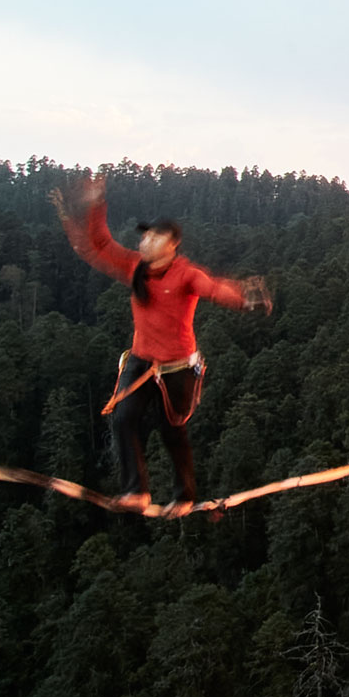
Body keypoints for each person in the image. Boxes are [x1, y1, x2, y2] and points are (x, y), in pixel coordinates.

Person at [52, 173, 271, 515]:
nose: (146, 241)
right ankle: (135, 492)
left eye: (155, 237)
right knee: (124, 418)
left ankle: (184, 496)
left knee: (172, 430)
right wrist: (95, 204)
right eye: (145, 236)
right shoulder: (135, 267)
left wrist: (244, 300)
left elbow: (213, 288)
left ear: (172, 246)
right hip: (141, 361)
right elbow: (97, 246)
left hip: (178, 367)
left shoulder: (185, 274)